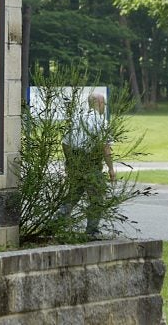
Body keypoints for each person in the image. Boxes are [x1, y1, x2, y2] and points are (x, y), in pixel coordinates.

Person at [61, 92, 116, 237]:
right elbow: (106, 148)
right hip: (92, 165)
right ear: (99, 103)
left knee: (73, 195)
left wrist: (71, 162)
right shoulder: (101, 122)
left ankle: (55, 223)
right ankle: (91, 231)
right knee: (96, 198)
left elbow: (65, 143)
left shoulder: (77, 118)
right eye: (104, 103)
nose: (104, 107)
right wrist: (111, 169)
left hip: (76, 164)